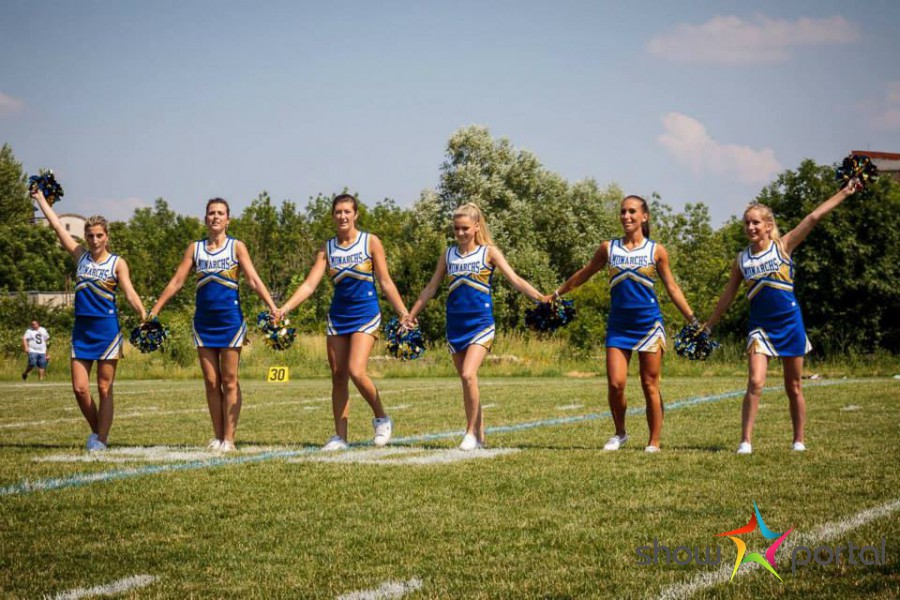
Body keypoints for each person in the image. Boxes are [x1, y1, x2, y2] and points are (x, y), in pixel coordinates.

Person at [704, 180, 861, 454]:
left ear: (768, 225)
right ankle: (745, 440)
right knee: (755, 382)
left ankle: (798, 439)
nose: (751, 228)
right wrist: (709, 325)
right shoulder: (741, 260)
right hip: (760, 328)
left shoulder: (783, 246)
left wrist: (845, 192)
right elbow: (728, 296)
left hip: (790, 325)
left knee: (794, 385)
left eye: (756, 223)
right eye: (747, 223)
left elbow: (813, 217)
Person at [550, 195, 698, 453]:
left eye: (632, 212)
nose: (626, 217)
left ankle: (654, 441)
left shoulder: (656, 251)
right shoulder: (609, 248)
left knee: (649, 384)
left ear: (644, 216)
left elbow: (672, 288)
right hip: (619, 326)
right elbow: (585, 273)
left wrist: (694, 320)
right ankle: (620, 433)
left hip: (649, 326)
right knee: (616, 384)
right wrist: (557, 293)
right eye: (622, 212)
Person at [403, 203, 545, 450]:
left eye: (465, 228)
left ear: (477, 227)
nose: (460, 233)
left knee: (469, 374)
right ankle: (480, 436)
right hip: (455, 324)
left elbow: (515, 280)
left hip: (481, 323)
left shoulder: (488, 252)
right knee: (467, 379)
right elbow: (431, 287)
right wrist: (411, 314)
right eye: (456, 228)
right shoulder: (448, 254)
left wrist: (542, 299)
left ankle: (469, 433)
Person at [278, 194, 410, 451]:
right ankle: (340, 437)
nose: (342, 216)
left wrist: (403, 312)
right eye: (338, 212)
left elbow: (385, 281)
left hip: (366, 314)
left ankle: (382, 418)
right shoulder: (327, 249)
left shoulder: (370, 242)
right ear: (333, 216)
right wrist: (285, 308)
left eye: (347, 211)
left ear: (356, 214)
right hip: (338, 317)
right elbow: (309, 284)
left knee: (356, 371)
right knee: (338, 376)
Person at [149, 198, 277, 453]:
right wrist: (155, 309)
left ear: (228, 219)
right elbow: (177, 281)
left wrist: (272, 306)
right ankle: (217, 435)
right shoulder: (195, 249)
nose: (215, 217)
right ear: (205, 219)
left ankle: (229, 438)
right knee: (210, 381)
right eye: (211, 213)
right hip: (204, 323)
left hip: (230, 322)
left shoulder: (236, 247)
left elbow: (252, 279)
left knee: (229, 380)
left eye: (220, 213)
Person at [31, 189, 148, 451]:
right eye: (90, 235)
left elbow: (129, 292)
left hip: (107, 331)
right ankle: (97, 432)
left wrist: (144, 315)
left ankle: (101, 440)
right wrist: (40, 200)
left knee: (105, 388)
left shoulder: (117, 263)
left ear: (107, 237)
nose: (94, 240)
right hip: (82, 332)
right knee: (80, 389)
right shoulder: (80, 256)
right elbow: (57, 226)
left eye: (99, 235)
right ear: (85, 237)